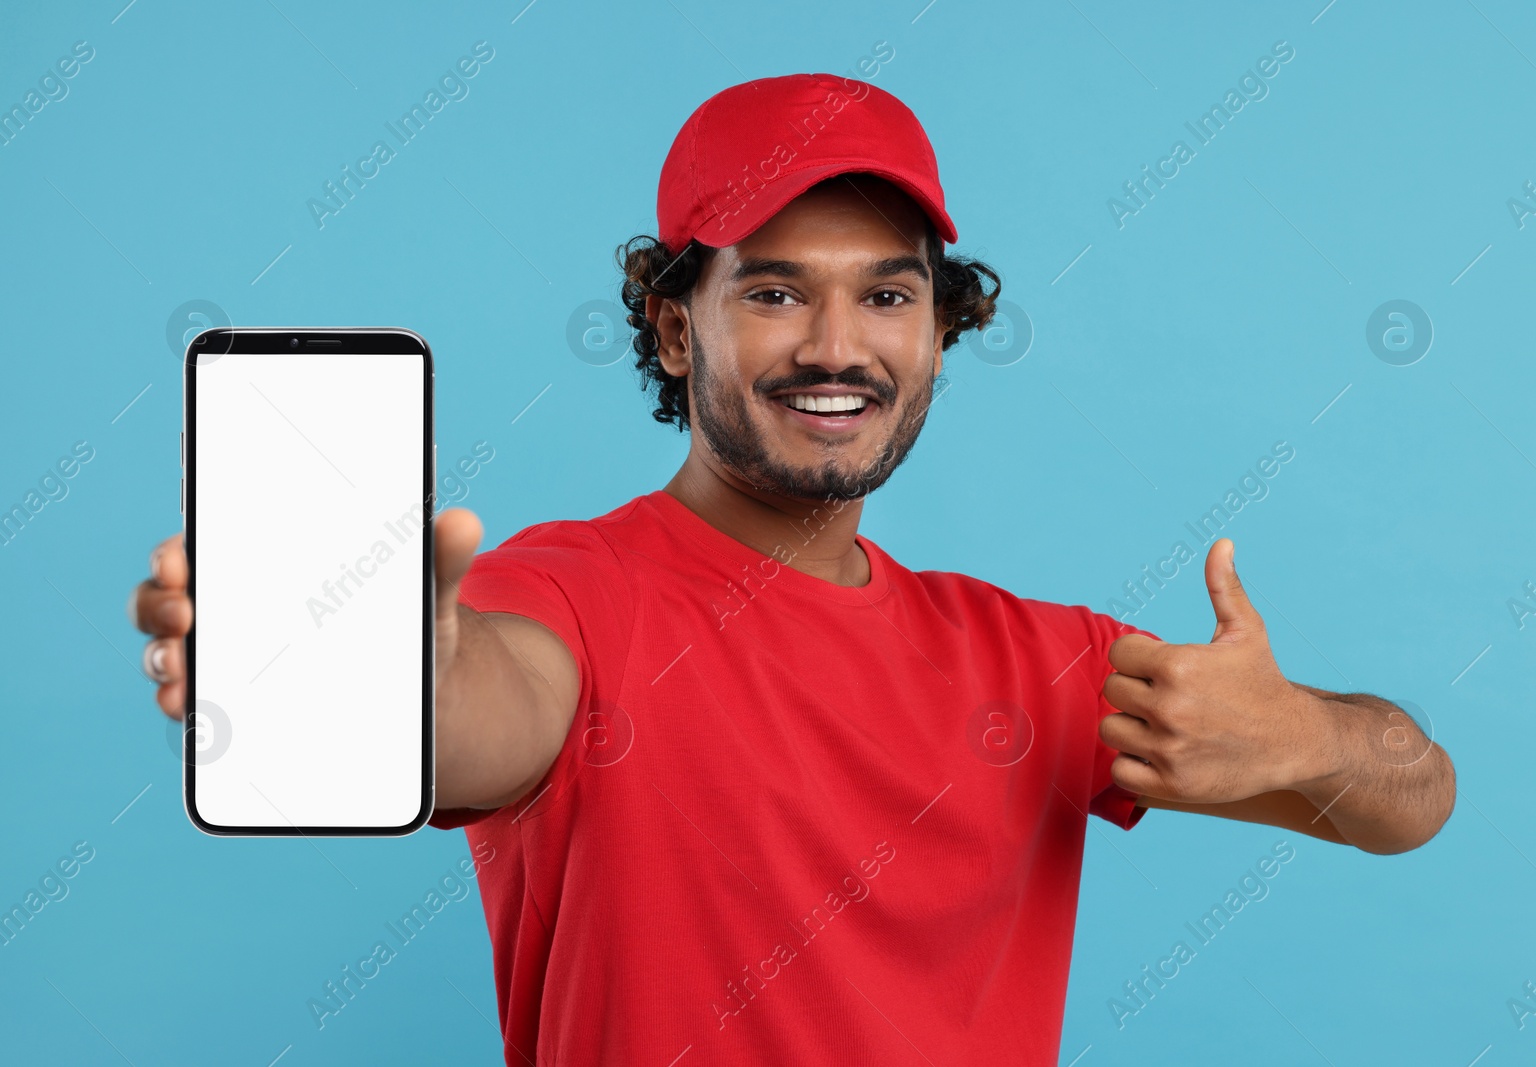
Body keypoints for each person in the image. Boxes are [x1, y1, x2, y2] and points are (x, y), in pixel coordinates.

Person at [129, 73, 1455, 1066]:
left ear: (942, 331)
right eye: (772, 292)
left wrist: (1307, 739)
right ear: (668, 324)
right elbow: (482, 707)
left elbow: (1413, 799)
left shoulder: (1034, 663)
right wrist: (393, 680)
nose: (838, 345)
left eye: (888, 295)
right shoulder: (575, 595)